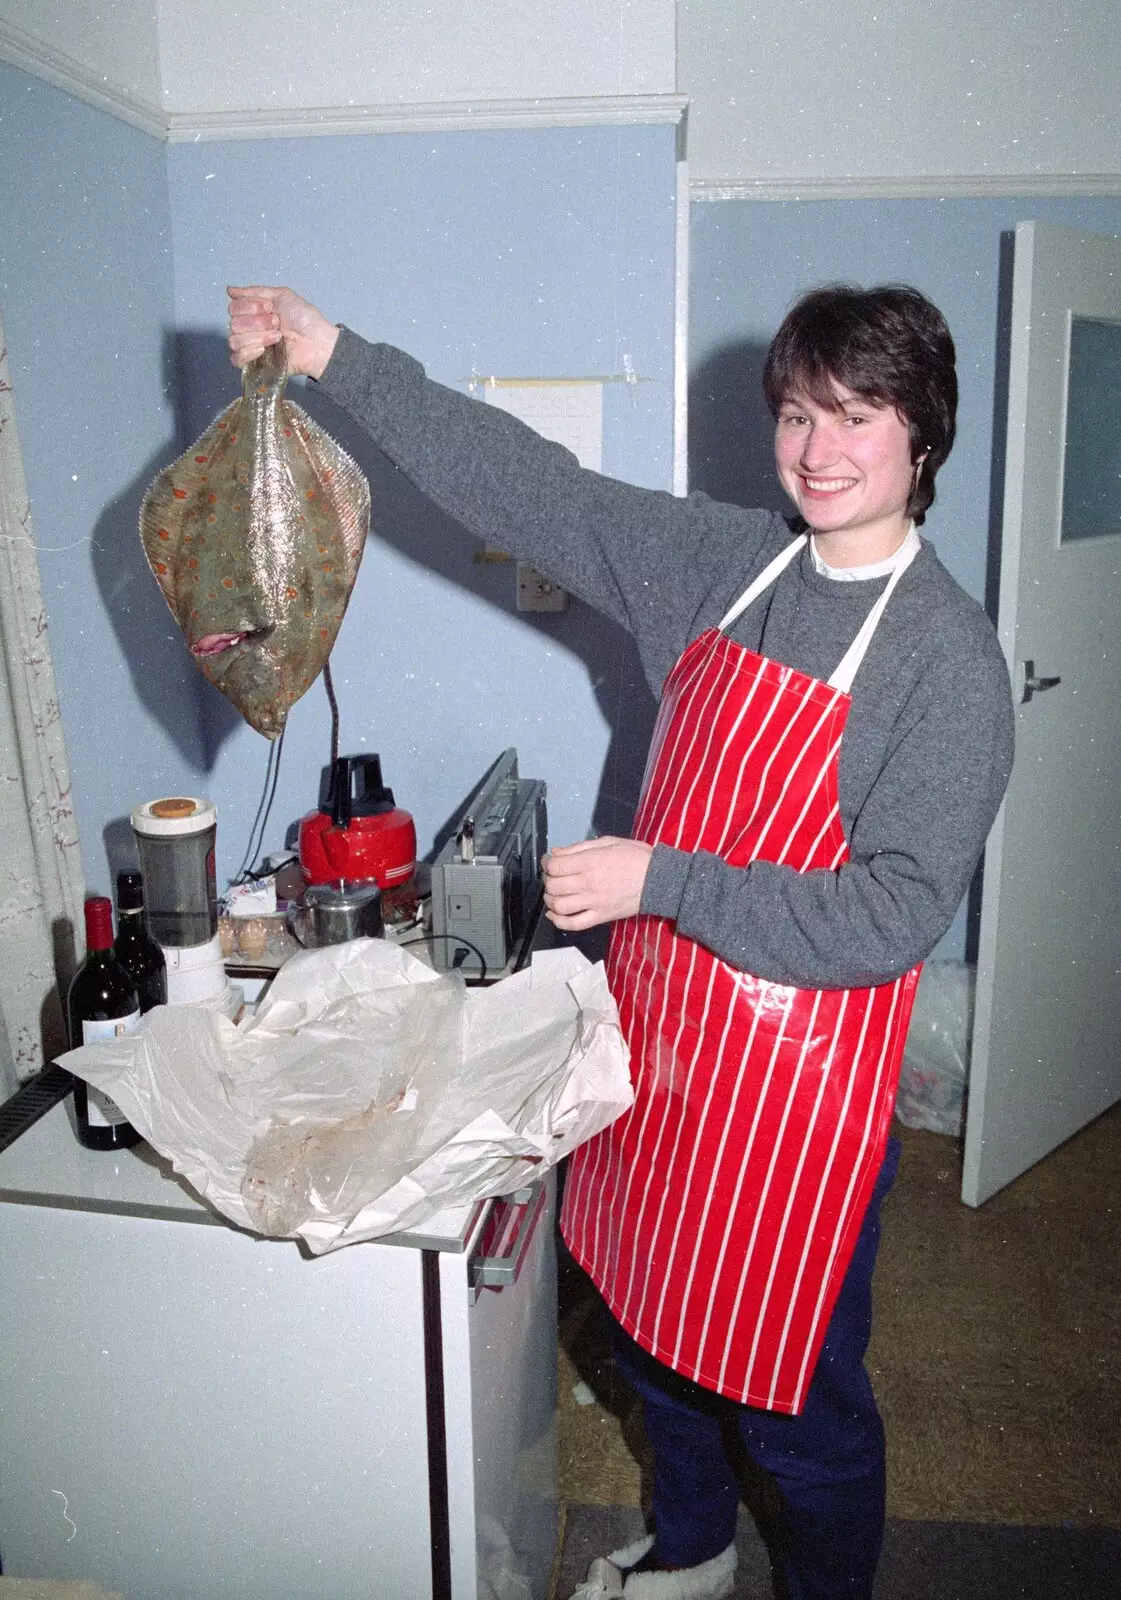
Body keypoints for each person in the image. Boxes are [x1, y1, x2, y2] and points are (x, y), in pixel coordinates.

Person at [228, 282, 1014, 1599]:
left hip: (796, 1106)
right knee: (654, 1334)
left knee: (792, 1402)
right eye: (798, 414)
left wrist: (664, 877)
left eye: (858, 417)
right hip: (667, 1052)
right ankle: (696, 1551)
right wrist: (334, 356)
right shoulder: (725, 563)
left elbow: (888, 917)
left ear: (922, 437)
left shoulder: (949, 665)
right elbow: (533, 489)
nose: (819, 451)